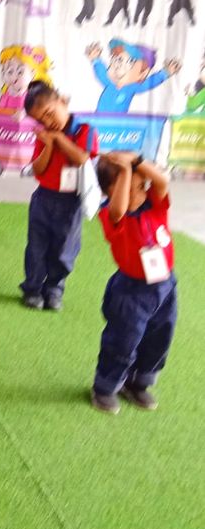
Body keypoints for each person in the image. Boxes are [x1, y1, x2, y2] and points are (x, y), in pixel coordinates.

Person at [91, 153, 177, 414]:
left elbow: (161, 181)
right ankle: (105, 387)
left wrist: (136, 163)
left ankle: (139, 383)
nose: (138, 194)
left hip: (165, 286)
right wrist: (126, 171)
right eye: (127, 189)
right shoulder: (111, 214)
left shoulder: (155, 205)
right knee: (123, 340)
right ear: (109, 191)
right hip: (131, 291)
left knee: (160, 336)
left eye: (141, 187)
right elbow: (119, 209)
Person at [20, 81, 98, 311]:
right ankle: (32, 288)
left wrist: (59, 140)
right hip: (43, 198)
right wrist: (47, 146)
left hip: (70, 201)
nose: (47, 122)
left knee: (65, 249)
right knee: (36, 246)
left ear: (62, 101)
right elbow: (38, 170)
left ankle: (54, 290)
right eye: (40, 119)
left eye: (49, 113)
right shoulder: (44, 136)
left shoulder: (85, 130)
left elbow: (82, 159)